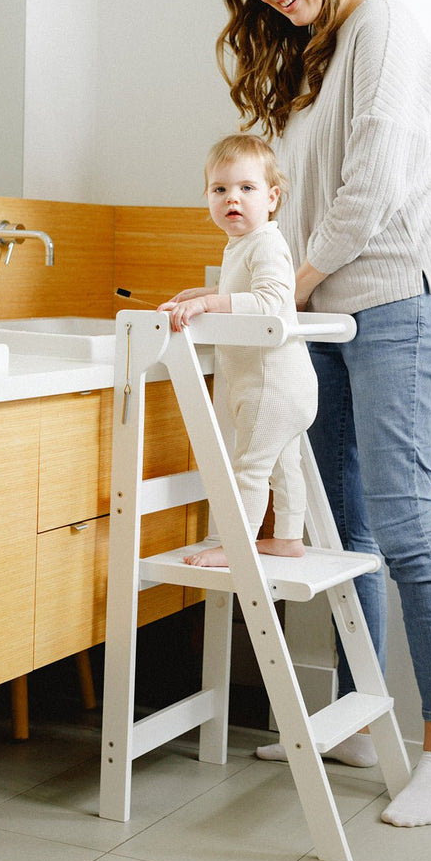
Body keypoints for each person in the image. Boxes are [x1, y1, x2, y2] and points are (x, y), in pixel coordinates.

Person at [215, 0, 431, 827]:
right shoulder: (320, 58)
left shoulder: (385, 27)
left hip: (398, 301)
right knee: (348, 530)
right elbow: (300, 196)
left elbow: (374, 185)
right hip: (330, 315)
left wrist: (297, 286)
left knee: (403, 527)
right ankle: (366, 720)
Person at [158, 133, 317, 568]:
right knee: (285, 465)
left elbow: (270, 302)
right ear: (207, 197)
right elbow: (245, 289)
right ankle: (286, 537)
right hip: (287, 387)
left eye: (247, 188)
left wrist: (209, 303)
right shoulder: (244, 245)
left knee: (249, 468)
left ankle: (238, 547)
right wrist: (204, 292)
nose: (233, 198)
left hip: (272, 388)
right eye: (220, 189)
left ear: (272, 197)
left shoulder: (266, 243)